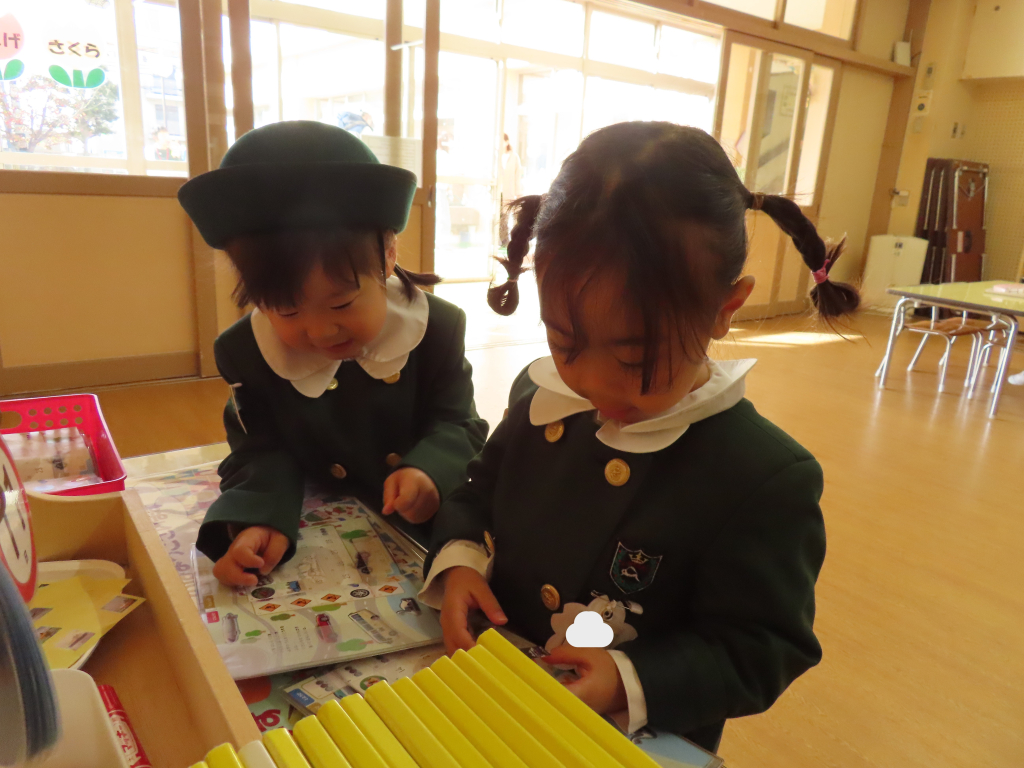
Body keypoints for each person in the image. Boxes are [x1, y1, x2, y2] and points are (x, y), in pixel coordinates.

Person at [418, 121, 858, 752]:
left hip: (624, 737)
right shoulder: (542, 400)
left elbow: (764, 647)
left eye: (636, 358)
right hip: (496, 696)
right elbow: (476, 493)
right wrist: (460, 562)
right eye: (565, 342)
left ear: (724, 310)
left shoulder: (761, 474)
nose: (594, 383)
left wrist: (632, 679)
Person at [178, 120, 488, 587]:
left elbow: (459, 422)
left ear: (387, 255)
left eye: (342, 303)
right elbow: (259, 449)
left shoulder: (435, 328)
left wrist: (430, 470)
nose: (321, 331)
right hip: (315, 523)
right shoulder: (247, 353)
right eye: (287, 310)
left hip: (419, 521)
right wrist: (258, 519)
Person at [498, 132, 522, 248]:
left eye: (501, 140)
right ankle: (504, 241)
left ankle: (515, 241)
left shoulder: (514, 157)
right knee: (501, 217)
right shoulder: (496, 156)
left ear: (507, 142)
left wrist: (519, 193)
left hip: (510, 191)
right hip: (498, 191)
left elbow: (518, 176)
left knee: (512, 216)